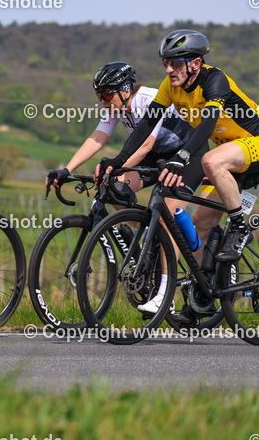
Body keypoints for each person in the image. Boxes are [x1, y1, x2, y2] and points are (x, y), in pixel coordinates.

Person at [103, 30, 259, 324]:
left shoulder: (214, 81)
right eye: (165, 63)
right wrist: (119, 161)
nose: (168, 69)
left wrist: (182, 158)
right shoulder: (171, 87)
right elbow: (146, 124)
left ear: (195, 63)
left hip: (258, 141)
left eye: (174, 63)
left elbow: (207, 125)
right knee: (199, 224)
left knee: (209, 159)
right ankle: (200, 301)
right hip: (224, 156)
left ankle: (238, 227)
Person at [47, 61, 194, 315]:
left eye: (106, 95)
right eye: (99, 96)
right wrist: (66, 169)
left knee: (167, 215)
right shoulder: (116, 108)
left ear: (125, 90)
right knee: (115, 188)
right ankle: (146, 237)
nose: (103, 101)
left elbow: (146, 145)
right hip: (156, 157)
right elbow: (97, 139)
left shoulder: (149, 100)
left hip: (185, 157)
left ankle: (165, 294)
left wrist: (115, 165)